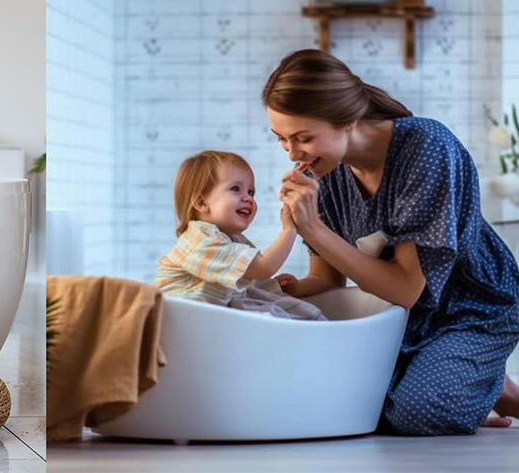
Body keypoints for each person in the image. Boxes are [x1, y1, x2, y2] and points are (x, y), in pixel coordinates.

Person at [266, 49, 519, 435]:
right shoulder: (328, 172)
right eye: (282, 139)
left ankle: (482, 379)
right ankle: (473, 379)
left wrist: (315, 228)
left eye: (303, 138)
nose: (291, 153)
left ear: (347, 120)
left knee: (415, 414)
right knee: (339, 403)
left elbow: (407, 289)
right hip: (404, 318)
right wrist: (279, 291)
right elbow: (328, 280)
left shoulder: (425, 147)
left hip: (473, 307)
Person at [155, 150, 324, 321]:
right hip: (179, 323)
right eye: (236, 189)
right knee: (272, 317)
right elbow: (263, 267)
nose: (248, 198)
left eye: (251, 192)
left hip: (206, 321)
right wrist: (289, 230)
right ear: (201, 202)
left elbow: (254, 279)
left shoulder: (232, 240)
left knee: (281, 310)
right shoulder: (199, 240)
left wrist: (277, 287)